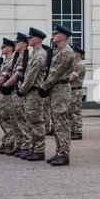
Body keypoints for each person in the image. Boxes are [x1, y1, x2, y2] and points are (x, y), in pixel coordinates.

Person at [39, 25, 75, 166]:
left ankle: (64, 154)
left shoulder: (67, 52)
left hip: (60, 88)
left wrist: (44, 86)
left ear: (63, 36)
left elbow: (56, 72)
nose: (53, 35)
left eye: (56, 33)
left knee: (62, 123)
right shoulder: (57, 51)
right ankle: (59, 151)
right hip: (55, 89)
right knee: (56, 122)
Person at [16, 27, 48, 161]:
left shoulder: (40, 54)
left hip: (34, 91)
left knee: (36, 121)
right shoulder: (33, 53)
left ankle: (39, 150)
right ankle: (34, 148)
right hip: (29, 92)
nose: (28, 39)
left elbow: (31, 76)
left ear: (38, 39)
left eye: (31, 37)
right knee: (30, 121)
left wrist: (22, 89)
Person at [1, 32, 32, 156]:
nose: (15, 44)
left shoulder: (26, 56)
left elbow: (19, 74)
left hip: (20, 91)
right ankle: (19, 144)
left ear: (24, 43)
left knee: (22, 119)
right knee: (15, 119)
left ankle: (26, 145)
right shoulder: (18, 57)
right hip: (14, 90)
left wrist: (6, 84)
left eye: (17, 42)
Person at [0, 38, 18, 154]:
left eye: (4, 46)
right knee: (1, 116)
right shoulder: (5, 60)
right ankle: (7, 141)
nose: (2, 48)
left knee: (7, 117)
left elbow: (3, 78)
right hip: (0, 92)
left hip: (5, 92)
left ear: (10, 48)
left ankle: (10, 142)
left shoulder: (11, 61)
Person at [69, 45, 86, 140]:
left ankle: (78, 132)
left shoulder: (80, 65)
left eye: (74, 52)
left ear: (78, 54)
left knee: (76, 112)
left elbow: (71, 78)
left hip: (76, 90)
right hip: (71, 90)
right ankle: (73, 130)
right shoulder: (74, 64)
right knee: (71, 112)